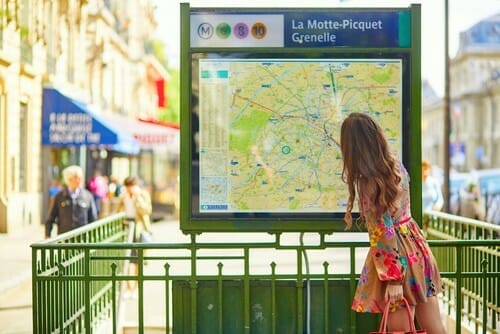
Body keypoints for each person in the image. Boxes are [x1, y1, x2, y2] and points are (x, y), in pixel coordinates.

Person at [339, 113, 446, 333]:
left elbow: (383, 231)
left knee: (401, 331)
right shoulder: (395, 166)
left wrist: (394, 279)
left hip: (397, 258)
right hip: (416, 247)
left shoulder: (369, 182)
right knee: (437, 329)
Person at [115, 176, 153, 292]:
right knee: (127, 257)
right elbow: (118, 211)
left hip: (139, 227)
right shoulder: (123, 196)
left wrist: (138, 199)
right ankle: (128, 285)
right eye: (127, 187)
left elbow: (147, 211)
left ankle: (137, 286)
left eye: (131, 187)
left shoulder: (142, 195)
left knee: (139, 258)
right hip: (127, 226)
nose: (129, 189)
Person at [45, 165, 98, 238]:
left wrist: (94, 237)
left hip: (82, 240)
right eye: (76, 177)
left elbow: (93, 219)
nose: (79, 180)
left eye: (80, 177)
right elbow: (51, 217)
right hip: (64, 239)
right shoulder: (59, 197)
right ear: (68, 179)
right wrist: (47, 234)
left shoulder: (88, 196)